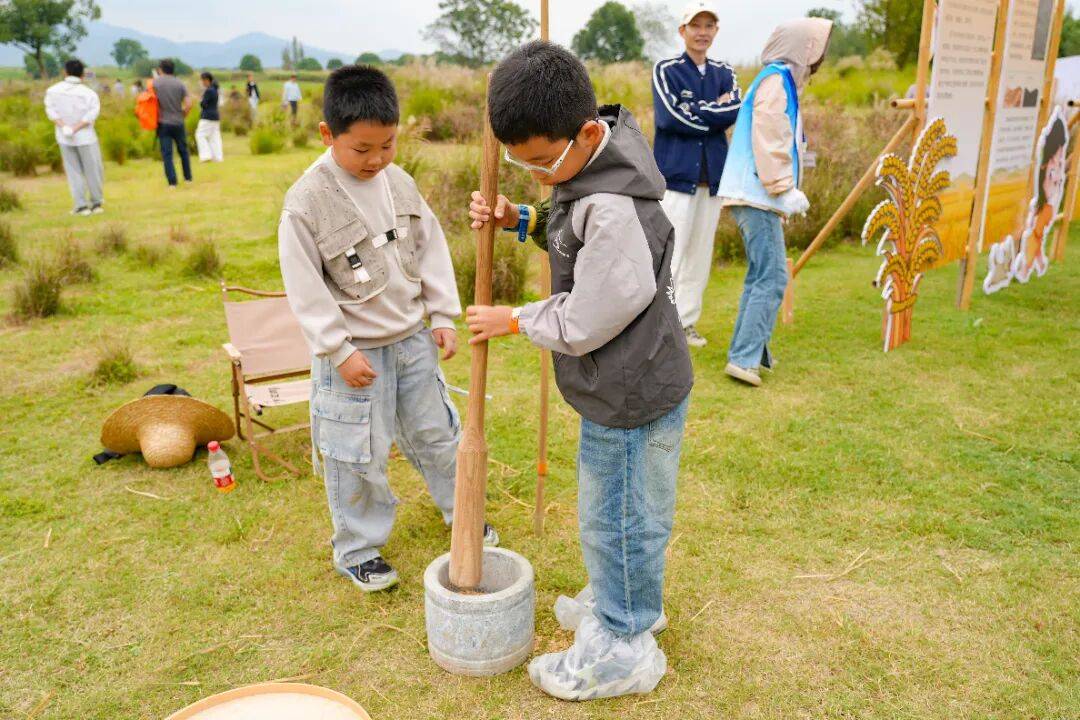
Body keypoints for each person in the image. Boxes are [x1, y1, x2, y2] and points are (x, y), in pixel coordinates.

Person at [465, 41, 692, 700]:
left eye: (540, 162)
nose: (534, 174)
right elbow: (574, 233)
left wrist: (513, 320)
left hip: (630, 390)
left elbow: (595, 310)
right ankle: (624, 603)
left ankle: (623, 643)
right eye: (519, 163)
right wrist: (522, 218)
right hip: (628, 384)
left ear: (587, 132)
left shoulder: (614, 204)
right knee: (622, 511)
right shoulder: (592, 170)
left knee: (620, 517)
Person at [278, 64, 499, 593]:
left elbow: (431, 248)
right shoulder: (305, 203)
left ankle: (462, 515)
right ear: (328, 135)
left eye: (389, 144)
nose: (376, 159)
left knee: (438, 433)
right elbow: (304, 284)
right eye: (362, 149)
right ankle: (358, 548)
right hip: (356, 357)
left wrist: (442, 315)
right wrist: (337, 348)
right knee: (357, 452)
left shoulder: (399, 183)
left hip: (412, 340)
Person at [717, 17, 832, 386]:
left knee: (762, 276)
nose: (821, 58)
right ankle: (743, 358)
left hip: (756, 194)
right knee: (772, 277)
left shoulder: (778, 80)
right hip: (756, 194)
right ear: (805, 49)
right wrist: (782, 186)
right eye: (819, 49)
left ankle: (750, 352)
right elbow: (769, 133)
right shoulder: (776, 80)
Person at [652, 1, 742, 347]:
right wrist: (711, 110)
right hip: (676, 180)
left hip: (713, 179)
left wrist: (696, 109)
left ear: (715, 31)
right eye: (695, 26)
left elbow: (734, 110)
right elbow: (669, 118)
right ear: (683, 31)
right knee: (671, 254)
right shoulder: (667, 70)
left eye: (709, 26)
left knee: (700, 256)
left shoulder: (725, 72)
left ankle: (686, 323)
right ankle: (661, 326)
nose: (702, 32)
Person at [44, 58, 104, 216]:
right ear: (82, 74)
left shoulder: (53, 90)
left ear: (65, 72)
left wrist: (65, 127)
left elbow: (51, 112)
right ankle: (96, 203)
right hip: (86, 137)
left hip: (65, 137)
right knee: (93, 170)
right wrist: (76, 128)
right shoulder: (89, 93)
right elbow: (91, 114)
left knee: (73, 172)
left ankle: (81, 205)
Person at [153, 59, 193, 187]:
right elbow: (188, 104)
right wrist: (183, 114)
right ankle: (188, 178)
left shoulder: (156, 84)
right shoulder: (180, 83)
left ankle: (172, 182)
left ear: (161, 69)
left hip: (163, 122)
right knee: (183, 151)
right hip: (178, 122)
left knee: (167, 154)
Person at [196, 72, 223, 162]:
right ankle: (217, 157)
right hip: (215, 116)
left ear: (207, 80)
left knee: (200, 135)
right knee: (214, 137)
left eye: (203, 80)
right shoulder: (215, 90)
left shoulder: (208, 91)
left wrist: (200, 99)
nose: (202, 82)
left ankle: (206, 155)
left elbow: (203, 104)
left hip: (207, 116)